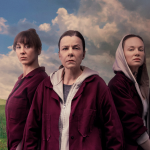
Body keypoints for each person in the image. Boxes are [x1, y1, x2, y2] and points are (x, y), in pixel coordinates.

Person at [22, 30, 124, 150]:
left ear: (83, 54)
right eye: (65, 48)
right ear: (59, 54)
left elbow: (114, 133)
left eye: (76, 48)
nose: (70, 53)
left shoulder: (98, 86)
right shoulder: (45, 87)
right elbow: (31, 131)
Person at [5, 28, 48, 150]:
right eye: (18, 47)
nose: (22, 51)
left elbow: (40, 126)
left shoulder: (41, 81)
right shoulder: (21, 80)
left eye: (27, 46)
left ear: (38, 50)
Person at [108, 34, 150, 150]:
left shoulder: (141, 83)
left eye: (141, 49)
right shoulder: (117, 84)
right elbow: (132, 123)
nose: (137, 53)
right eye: (131, 49)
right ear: (122, 55)